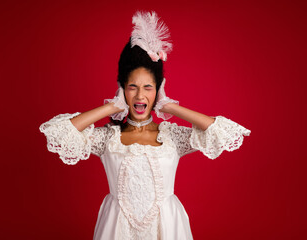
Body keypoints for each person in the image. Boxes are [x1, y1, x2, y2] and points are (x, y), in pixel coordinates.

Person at [39, 11, 251, 240]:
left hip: (168, 228)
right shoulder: (107, 139)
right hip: (116, 229)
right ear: (123, 89)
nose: (140, 95)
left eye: (148, 87)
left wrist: (169, 106)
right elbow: (58, 134)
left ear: (159, 89)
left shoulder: (173, 137)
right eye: (132, 87)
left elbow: (223, 133)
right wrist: (112, 107)